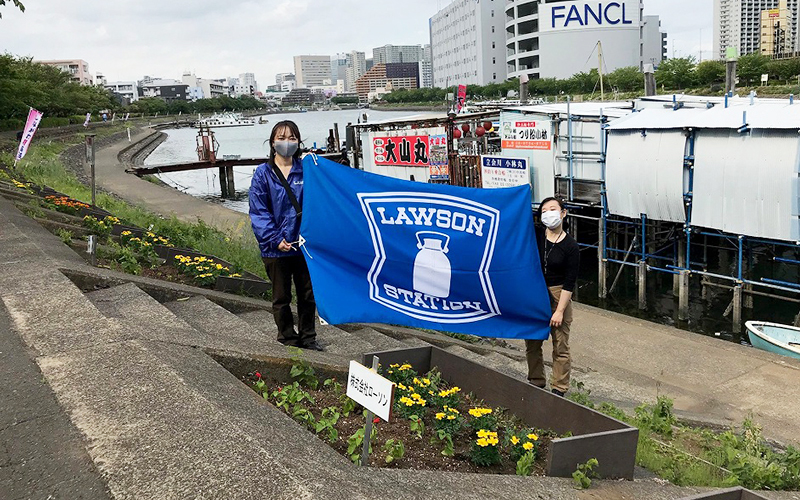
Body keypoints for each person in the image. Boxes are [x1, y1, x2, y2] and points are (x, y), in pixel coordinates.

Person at [249, 120, 322, 351]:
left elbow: (319, 204)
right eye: (281, 138)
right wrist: (274, 239)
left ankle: (308, 338)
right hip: (275, 249)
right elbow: (258, 211)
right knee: (281, 298)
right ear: (272, 142)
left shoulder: (307, 171)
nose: (286, 143)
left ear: (299, 142)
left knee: (307, 296)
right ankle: (288, 338)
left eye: (292, 138)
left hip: (303, 246)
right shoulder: (263, 174)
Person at [526, 197, 580, 396]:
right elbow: (517, 221)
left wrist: (559, 311)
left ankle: (559, 388)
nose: (549, 213)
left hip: (559, 294)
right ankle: (536, 380)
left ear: (563, 213)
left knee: (561, 345)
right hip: (535, 292)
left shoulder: (571, 246)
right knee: (532, 341)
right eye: (544, 211)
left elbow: (569, 281)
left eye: (553, 209)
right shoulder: (537, 235)